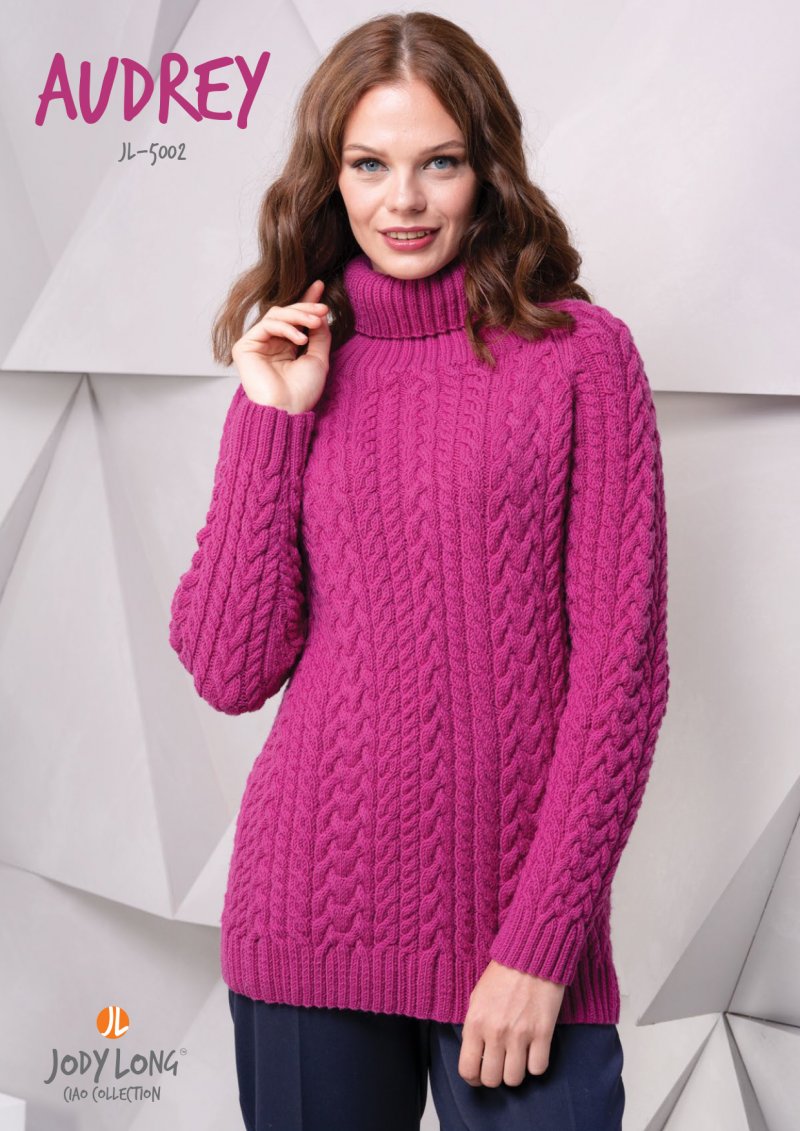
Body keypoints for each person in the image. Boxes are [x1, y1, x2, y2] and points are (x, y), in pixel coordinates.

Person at [168, 11, 670, 1130]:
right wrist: (271, 420)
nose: (403, 200)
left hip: (517, 945)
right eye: (369, 165)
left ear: (486, 168)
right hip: (307, 921)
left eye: (438, 162)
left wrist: (539, 947)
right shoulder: (301, 363)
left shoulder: (581, 359)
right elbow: (227, 669)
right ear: (330, 176)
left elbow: (622, 683)